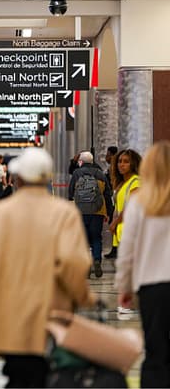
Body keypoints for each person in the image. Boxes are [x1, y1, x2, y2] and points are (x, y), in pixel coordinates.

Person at [0, 148, 95, 388]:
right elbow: (74, 263)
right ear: (47, 177)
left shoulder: (0, 213)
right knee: (47, 375)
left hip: (10, 314)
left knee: (18, 375)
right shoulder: (63, 213)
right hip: (52, 315)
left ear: (17, 178)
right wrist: (82, 297)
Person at [116, 141, 170, 388]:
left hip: (152, 287)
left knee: (156, 352)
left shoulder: (139, 202)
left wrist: (124, 287)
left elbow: (127, 250)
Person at [69, 151, 114, 278]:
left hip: (81, 211)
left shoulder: (77, 173)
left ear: (81, 161)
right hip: (97, 211)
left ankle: (86, 265)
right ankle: (97, 260)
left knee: (83, 239)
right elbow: (107, 194)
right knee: (96, 238)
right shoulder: (100, 174)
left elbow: (70, 192)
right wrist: (109, 212)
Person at [107, 149, 143, 260]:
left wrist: (114, 223)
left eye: (126, 162)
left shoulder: (136, 181)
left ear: (133, 164)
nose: (121, 164)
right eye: (119, 161)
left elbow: (130, 207)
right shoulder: (122, 183)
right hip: (121, 232)